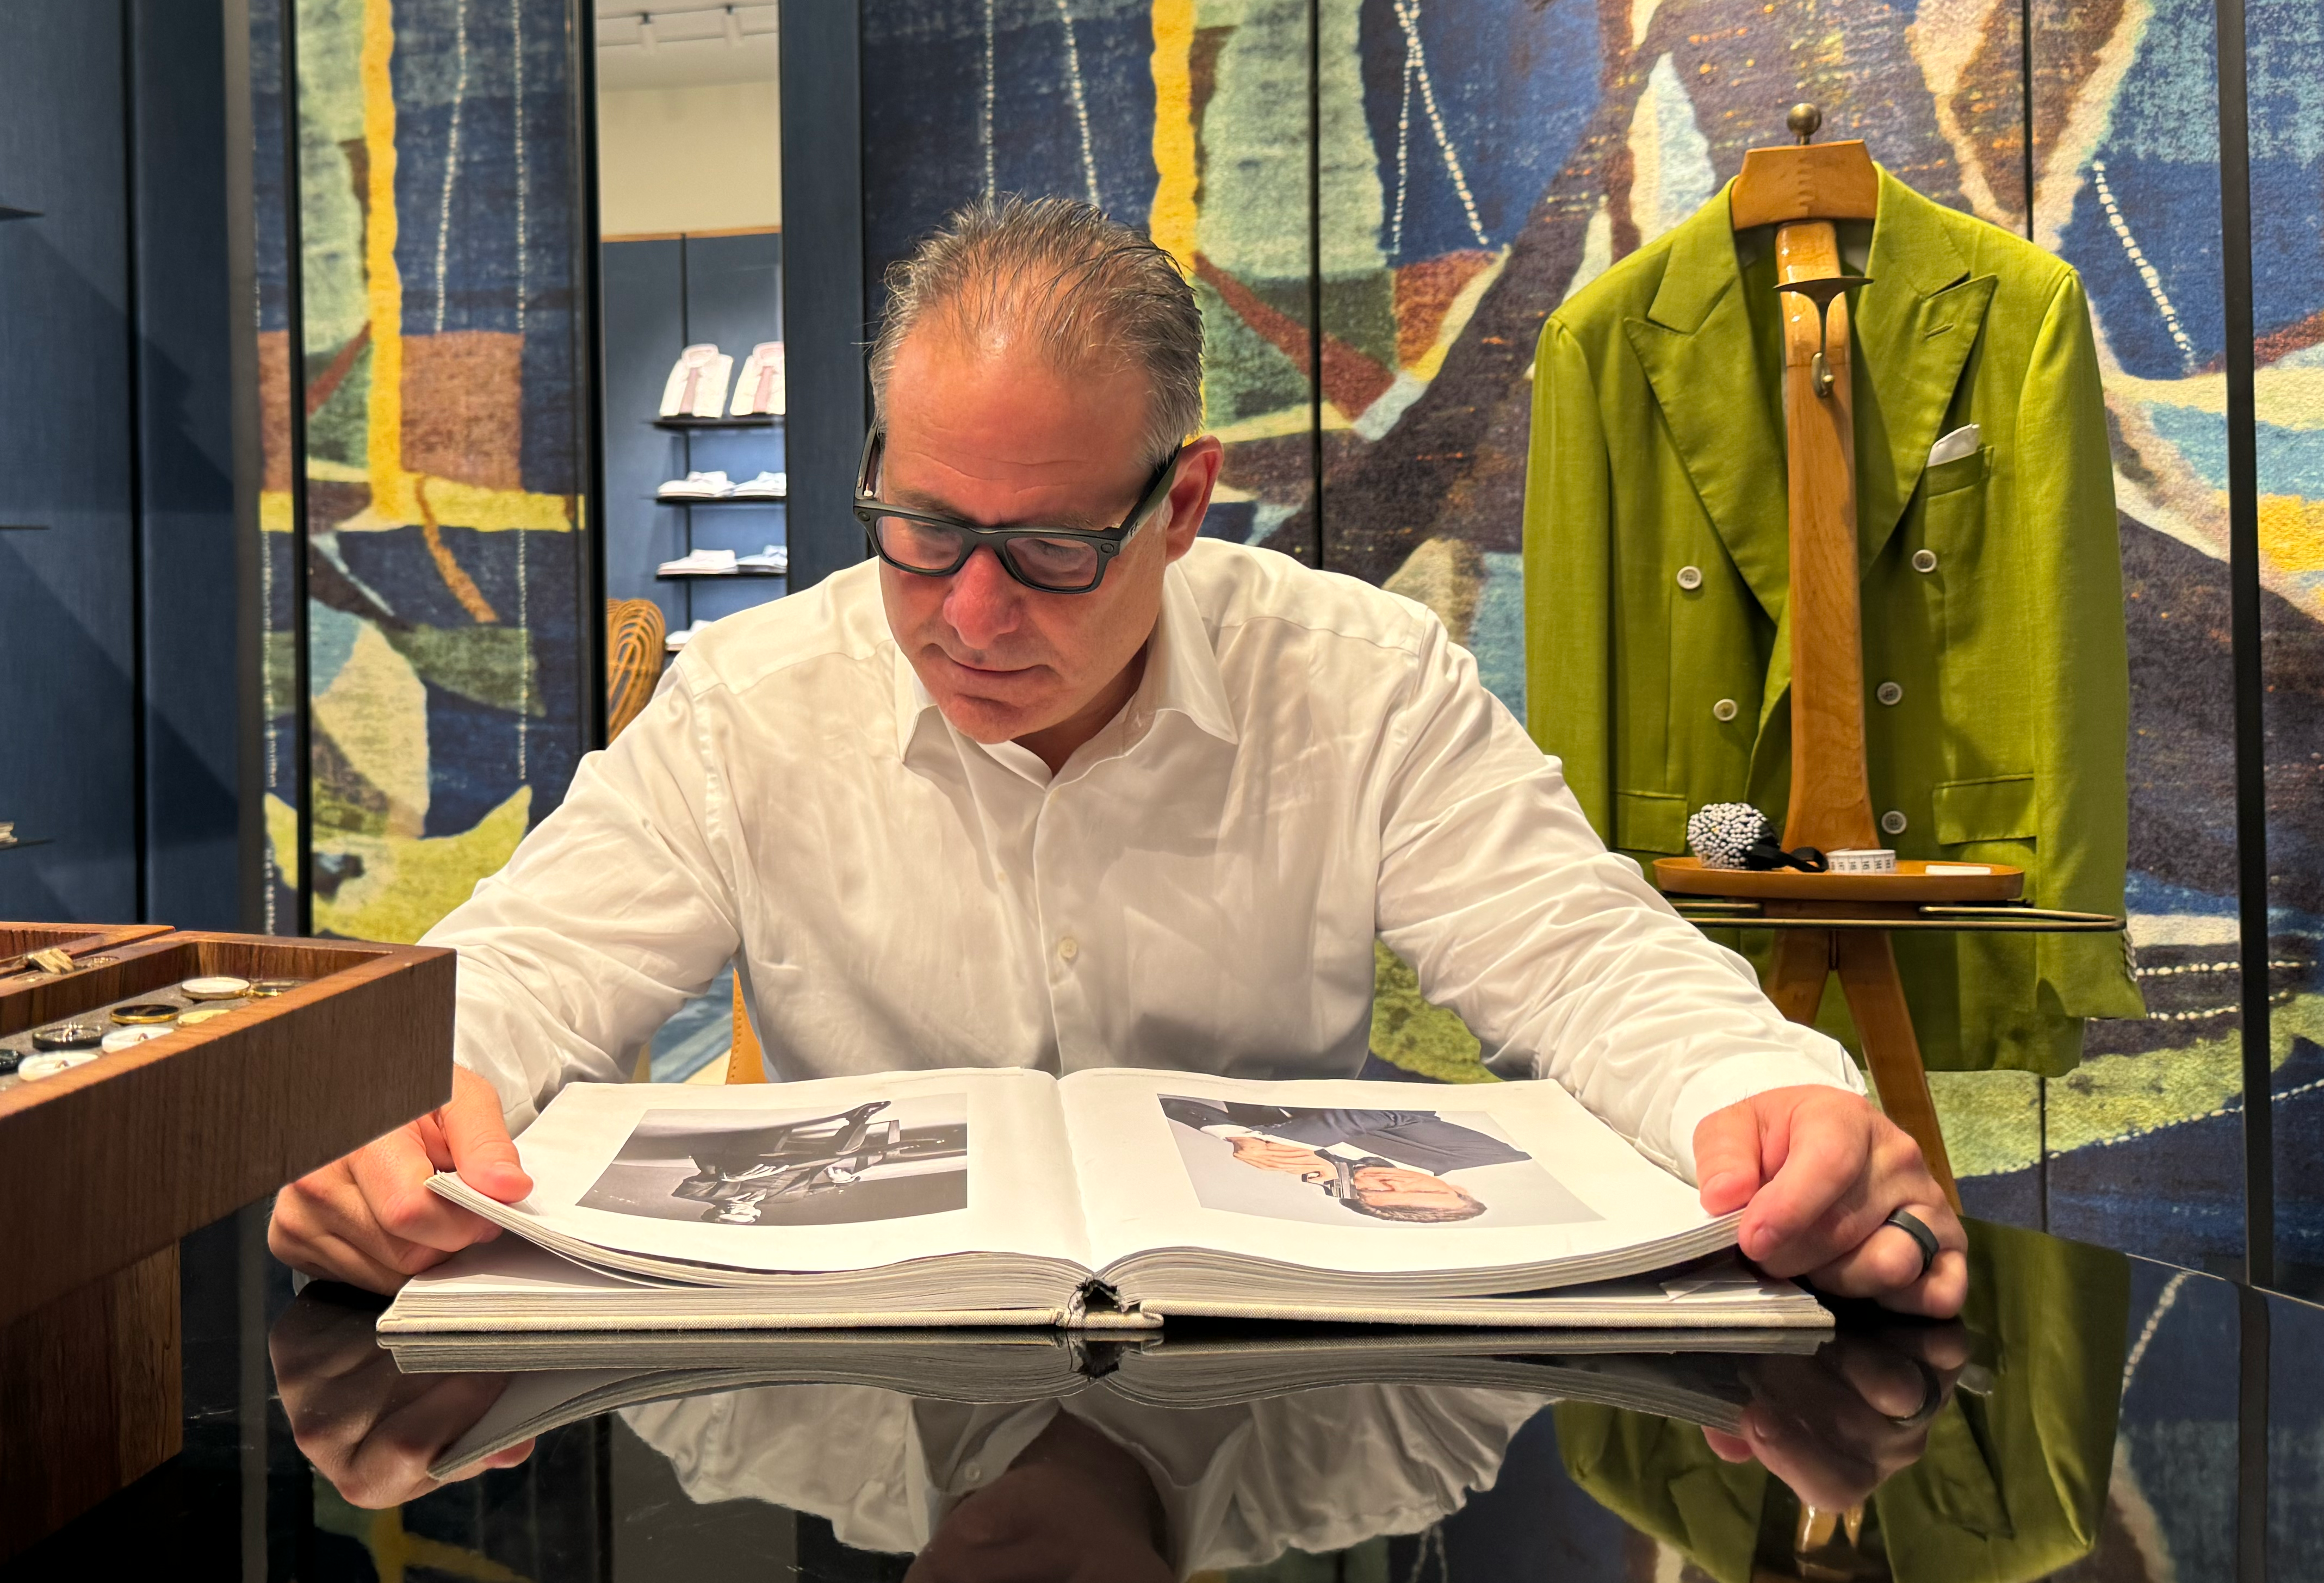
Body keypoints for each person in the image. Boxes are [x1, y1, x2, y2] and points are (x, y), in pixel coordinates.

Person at [272, 197, 1966, 1315]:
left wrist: (1765, 1101)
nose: (970, 615)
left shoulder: (1355, 682)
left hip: (1271, 1350)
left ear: (1177, 500)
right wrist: (396, 1099)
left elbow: (1586, 961)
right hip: (864, 1347)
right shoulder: (744, 697)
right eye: (920, 531)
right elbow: (521, 964)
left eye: (1050, 550)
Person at [1162, 1095, 1528, 1222]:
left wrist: (1237, 1136)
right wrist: (1279, 1138)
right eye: (1426, 1192)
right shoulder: (1484, 1159)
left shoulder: (1337, 1166)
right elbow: (1387, 1112)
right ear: (1457, 1188)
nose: (1394, 1181)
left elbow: (1183, 1106)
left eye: (1380, 1190)